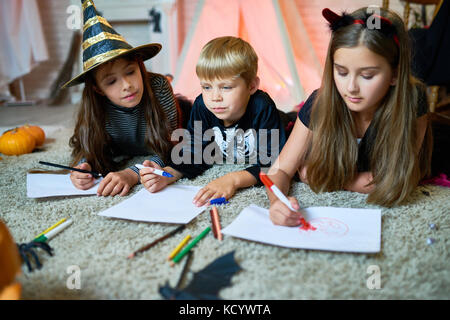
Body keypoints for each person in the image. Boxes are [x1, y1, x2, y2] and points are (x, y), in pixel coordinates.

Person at [266, 7, 434, 226]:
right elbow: (280, 169)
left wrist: (324, 177)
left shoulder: (413, 100)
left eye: (367, 75)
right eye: (342, 72)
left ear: (395, 74)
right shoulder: (320, 103)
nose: (351, 88)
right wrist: (276, 202)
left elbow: (395, 181)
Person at [139, 36, 293, 206]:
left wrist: (233, 179)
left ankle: (296, 110)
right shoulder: (202, 106)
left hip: (285, 123)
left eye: (225, 87)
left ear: (251, 86)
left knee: (293, 124)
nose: (214, 97)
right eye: (206, 87)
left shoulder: (261, 106)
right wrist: (167, 174)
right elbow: (194, 153)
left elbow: (271, 163)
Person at [63, 0, 184, 197]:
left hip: (159, 140)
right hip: (120, 145)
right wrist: (82, 167)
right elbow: (88, 146)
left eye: (130, 72)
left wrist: (132, 174)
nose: (126, 85)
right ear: (98, 89)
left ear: (139, 66)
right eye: (111, 82)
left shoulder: (159, 88)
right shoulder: (97, 107)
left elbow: (171, 148)